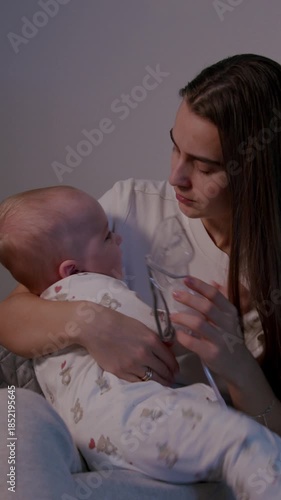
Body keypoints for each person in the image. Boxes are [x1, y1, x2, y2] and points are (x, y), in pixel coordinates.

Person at [0, 53, 281, 496]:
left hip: (173, 455)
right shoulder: (129, 209)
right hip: (80, 431)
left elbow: (271, 434)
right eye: (175, 146)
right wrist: (94, 324)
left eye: (204, 167)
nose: (175, 177)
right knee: (10, 414)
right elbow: (14, 313)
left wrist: (236, 363)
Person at [1, 185, 281, 500]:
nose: (118, 237)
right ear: (72, 270)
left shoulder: (60, 285)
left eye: (205, 166)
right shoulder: (94, 285)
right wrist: (209, 322)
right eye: (108, 237)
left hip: (100, 446)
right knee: (244, 443)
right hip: (140, 422)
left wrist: (237, 358)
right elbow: (158, 333)